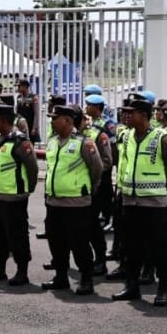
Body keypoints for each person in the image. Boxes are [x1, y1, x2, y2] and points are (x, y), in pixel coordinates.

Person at [109, 95, 167, 305]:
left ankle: (163, 290)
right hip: (130, 201)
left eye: (131, 113)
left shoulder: (161, 137)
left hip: (154, 203)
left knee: (159, 248)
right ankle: (132, 287)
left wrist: (161, 188)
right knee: (131, 248)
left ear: (143, 115)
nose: (126, 116)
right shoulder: (127, 136)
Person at [40, 104, 102, 295]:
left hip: (76, 203)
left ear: (67, 121)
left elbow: (96, 168)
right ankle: (61, 276)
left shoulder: (84, 142)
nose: (51, 121)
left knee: (79, 243)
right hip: (54, 201)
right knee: (56, 241)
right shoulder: (52, 142)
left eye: (54, 118)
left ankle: (86, 278)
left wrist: (86, 189)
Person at [0, 101, 38, 287]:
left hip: (14, 198)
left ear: (4, 120)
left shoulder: (21, 141)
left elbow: (33, 168)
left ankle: (22, 272)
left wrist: (28, 189)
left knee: (17, 235)